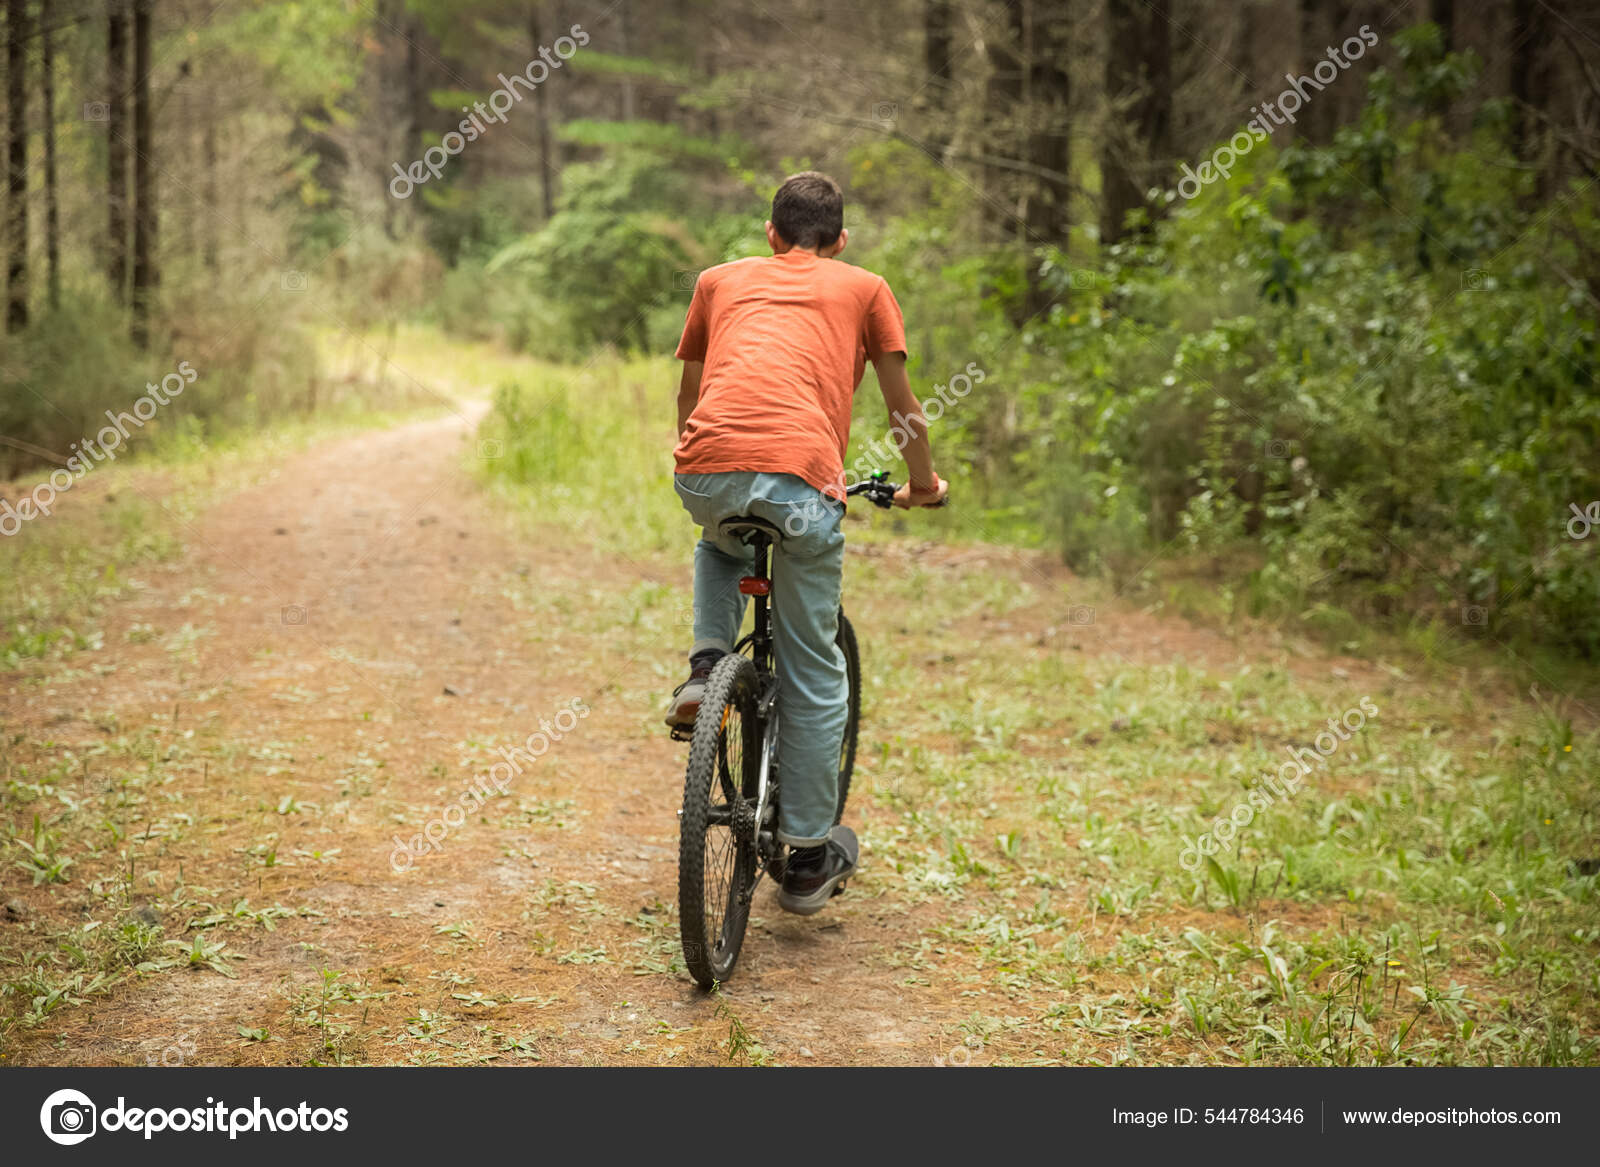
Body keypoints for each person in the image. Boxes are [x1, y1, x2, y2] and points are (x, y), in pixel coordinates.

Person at [665, 170, 948, 915]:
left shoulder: (718, 280)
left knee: (720, 542)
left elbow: (691, 394)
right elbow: (902, 407)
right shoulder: (865, 286)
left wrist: (706, 457)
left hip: (705, 469)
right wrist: (923, 484)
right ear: (841, 241)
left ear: (769, 234)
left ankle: (704, 668)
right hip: (800, 482)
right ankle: (808, 858)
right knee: (815, 669)